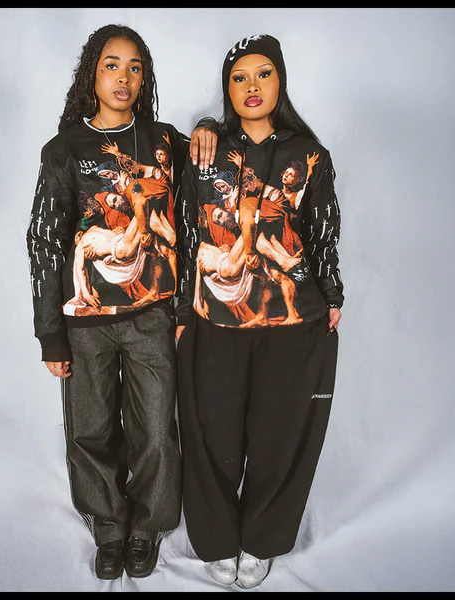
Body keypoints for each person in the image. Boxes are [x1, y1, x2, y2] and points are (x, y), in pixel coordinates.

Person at [26, 24, 217, 581]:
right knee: (90, 429)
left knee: (155, 429)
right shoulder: (64, 150)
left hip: (151, 314)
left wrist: (208, 127)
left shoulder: (163, 142)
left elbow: (212, 161)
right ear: (92, 73)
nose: (124, 77)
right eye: (112, 65)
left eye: (135, 67)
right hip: (85, 321)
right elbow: (45, 242)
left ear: (144, 78)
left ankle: (147, 526)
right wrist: (50, 332)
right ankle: (108, 526)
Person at [175, 34, 344, 589]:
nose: (252, 86)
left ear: (280, 81)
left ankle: (263, 539)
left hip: (291, 323)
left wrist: (332, 295)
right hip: (214, 319)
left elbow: (322, 233)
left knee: (279, 435)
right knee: (211, 434)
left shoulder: (308, 154)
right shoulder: (203, 151)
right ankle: (217, 539)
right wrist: (180, 310)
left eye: (264, 73)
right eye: (240, 76)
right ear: (227, 88)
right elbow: (184, 233)